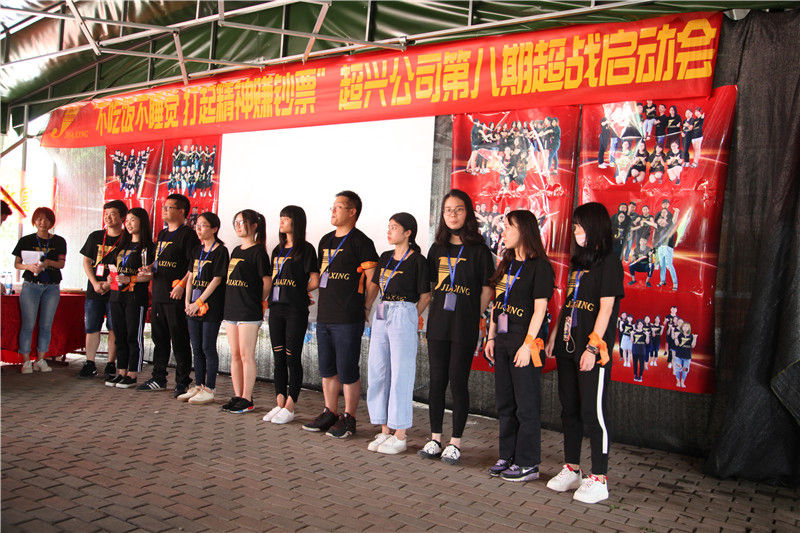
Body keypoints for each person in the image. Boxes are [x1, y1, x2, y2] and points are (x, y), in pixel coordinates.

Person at [545, 202, 624, 504]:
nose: (575, 231)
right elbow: (569, 303)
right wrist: (555, 334)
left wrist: (592, 347)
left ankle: (599, 478)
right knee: (570, 409)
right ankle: (572, 468)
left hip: (592, 350)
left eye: (579, 226)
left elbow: (606, 309)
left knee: (593, 413)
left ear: (593, 227)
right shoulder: (579, 264)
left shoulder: (610, 263)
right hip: (568, 346)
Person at [419, 189, 494, 465]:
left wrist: (473, 315)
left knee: (458, 382)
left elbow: (487, 289)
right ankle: (435, 438)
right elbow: (429, 288)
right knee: (437, 381)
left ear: (468, 213)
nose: (452, 215)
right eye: (448, 210)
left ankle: (456, 442)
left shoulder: (479, 250)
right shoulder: (436, 248)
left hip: (464, 325)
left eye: (458, 209)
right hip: (438, 324)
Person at [484, 210, 554, 481]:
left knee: (526, 405)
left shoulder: (540, 267)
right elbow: (496, 303)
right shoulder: (507, 263)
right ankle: (507, 456)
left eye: (508, 227)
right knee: (505, 403)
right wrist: (491, 337)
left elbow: (540, 310)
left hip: (525, 342)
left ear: (523, 230)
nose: (503, 232)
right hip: (502, 340)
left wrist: (527, 345)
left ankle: (528, 463)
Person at [303, 191, 378, 438]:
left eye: (339, 207)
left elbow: (373, 280)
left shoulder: (361, 242)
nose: (333, 211)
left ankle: (349, 417)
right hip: (325, 315)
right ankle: (330, 412)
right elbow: (320, 276)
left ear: (352, 211)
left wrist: (366, 306)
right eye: (332, 207)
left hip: (348, 317)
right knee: (327, 369)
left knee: (347, 370)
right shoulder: (325, 241)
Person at [366, 213, 431, 454]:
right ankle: (384, 428)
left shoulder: (418, 261)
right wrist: (367, 307)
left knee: (401, 373)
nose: (389, 231)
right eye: (389, 227)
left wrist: (411, 316)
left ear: (408, 233)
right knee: (378, 370)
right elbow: (375, 285)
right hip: (382, 311)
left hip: (404, 312)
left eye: (394, 227)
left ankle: (400, 433)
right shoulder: (385, 257)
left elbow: (425, 296)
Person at [137, 194, 200, 395]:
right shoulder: (163, 234)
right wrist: (149, 268)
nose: (164, 210)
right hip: (158, 293)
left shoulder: (188, 235)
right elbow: (159, 260)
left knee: (179, 339)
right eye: (163, 207)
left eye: (169, 207)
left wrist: (182, 284)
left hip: (176, 296)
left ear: (181, 211)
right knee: (159, 338)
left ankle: (182, 380)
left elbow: (193, 265)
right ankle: (158, 377)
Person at [263, 206, 320, 425]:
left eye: (286, 218)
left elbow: (314, 280)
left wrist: (298, 291)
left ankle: (290, 405)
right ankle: (279, 401)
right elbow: (273, 278)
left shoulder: (306, 249)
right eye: (281, 218)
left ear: (296, 222)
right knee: (277, 356)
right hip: (275, 307)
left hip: (295, 309)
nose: (282, 222)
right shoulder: (277, 250)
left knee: (292, 356)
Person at [222, 210, 272, 414]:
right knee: (234, 354)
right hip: (231, 309)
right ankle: (238, 395)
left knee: (246, 354)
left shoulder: (258, 252)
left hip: (248, 310)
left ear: (254, 225)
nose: (238, 225)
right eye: (236, 222)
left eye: (242, 222)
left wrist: (259, 301)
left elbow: (266, 281)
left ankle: (247, 397)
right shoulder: (235, 250)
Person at [180, 212, 228, 405]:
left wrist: (198, 302)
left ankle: (210, 388)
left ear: (214, 228)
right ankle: (198, 385)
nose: (199, 229)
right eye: (197, 225)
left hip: (210, 306)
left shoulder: (221, 251)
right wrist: (187, 303)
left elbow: (216, 280)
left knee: (208, 347)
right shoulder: (196, 250)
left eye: (203, 225)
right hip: (192, 306)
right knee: (197, 347)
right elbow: (190, 276)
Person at [12, 207, 67, 374]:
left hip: (52, 286)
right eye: (39, 219)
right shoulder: (26, 240)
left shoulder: (59, 241)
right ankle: (26, 361)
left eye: (47, 219)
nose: (43, 222)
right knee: (28, 324)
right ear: (34, 221)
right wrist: (29, 267)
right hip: (31, 285)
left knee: (46, 324)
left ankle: (41, 359)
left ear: (52, 222)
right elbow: (17, 264)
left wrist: (48, 263)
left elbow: (61, 264)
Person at [106, 208, 154, 388]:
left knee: (133, 335)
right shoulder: (122, 245)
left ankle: (132, 373)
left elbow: (149, 275)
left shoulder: (148, 247)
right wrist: (111, 278)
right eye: (127, 220)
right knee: (119, 334)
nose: (128, 223)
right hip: (116, 295)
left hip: (135, 296)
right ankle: (121, 371)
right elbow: (115, 268)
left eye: (133, 219)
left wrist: (130, 279)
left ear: (142, 222)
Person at [79, 200, 126, 379]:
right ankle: (89, 363)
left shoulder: (127, 239)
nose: (108, 217)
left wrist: (108, 285)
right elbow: (86, 261)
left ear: (122, 217)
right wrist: (95, 283)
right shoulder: (96, 236)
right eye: (106, 214)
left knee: (114, 327)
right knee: (92, 326)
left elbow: (128, 267)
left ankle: (110, 364)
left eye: (113, 214)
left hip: (116, 290)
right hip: (95, 289)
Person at [654, 211, 679, 291]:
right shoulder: (660, 229)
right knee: (662, 265)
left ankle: (675, 283)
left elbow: (674, 220)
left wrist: (677, 212)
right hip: (661, 247)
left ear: (665, 219)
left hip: (668, 248)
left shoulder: (670, 226)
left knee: (669, 265)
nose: (660, 223)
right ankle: (662, 280)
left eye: (661, 221)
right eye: (659, 223)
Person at [672, 321, 697, 388]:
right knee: (678, 369)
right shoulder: (679, 335)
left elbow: (693, 346)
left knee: (685, 370)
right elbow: (676, 344)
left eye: (687, 326)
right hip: (678, 356)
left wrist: (695, 338)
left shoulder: (691, 336)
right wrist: (676, 337)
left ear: (689, 328)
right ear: (682, 327)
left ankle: (682, 382)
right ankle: (678, 381)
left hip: (687, 357)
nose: (685, 328)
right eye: (684, 326)